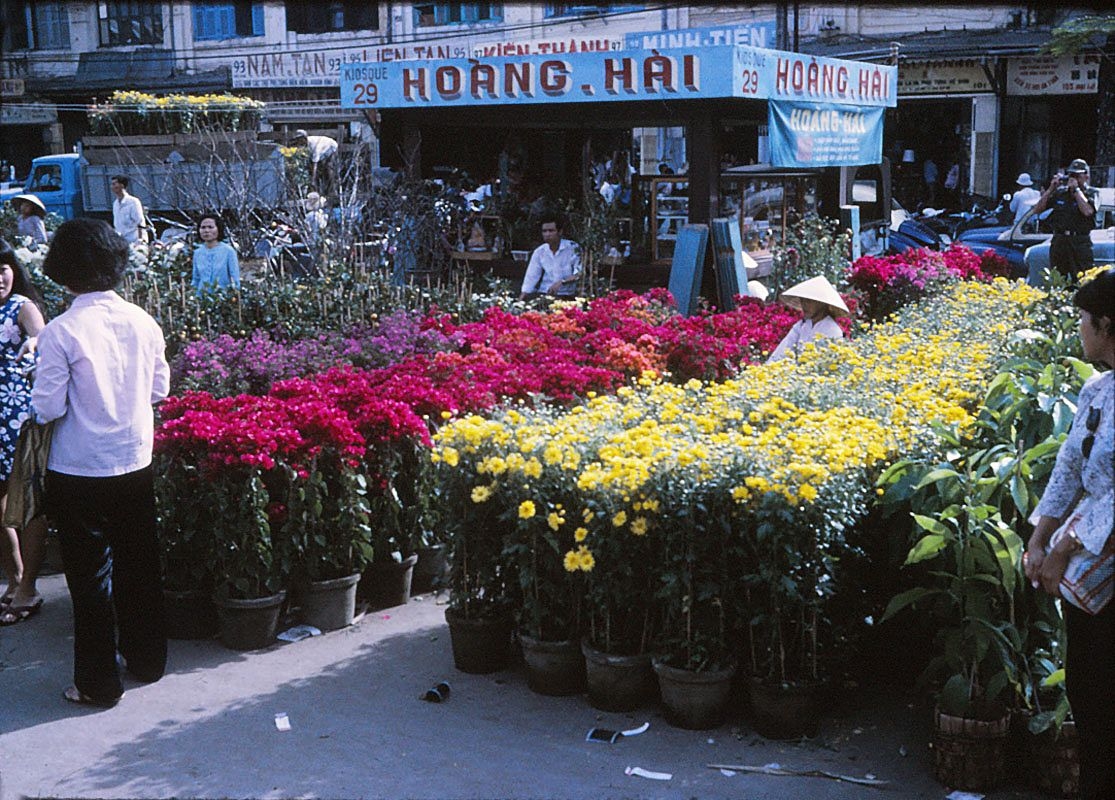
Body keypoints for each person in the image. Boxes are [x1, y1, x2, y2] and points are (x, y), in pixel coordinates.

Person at [33, 218, 170, 708]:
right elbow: (160, 391)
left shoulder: (61, 332)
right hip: (134, 461)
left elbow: (48, 408)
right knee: (139, 563)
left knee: (90, 579)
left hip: (78, 469)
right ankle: (148, 661)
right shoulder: (143, 322)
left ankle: (97, 683)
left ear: (63, 272)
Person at [1023, 267, 1114, 800]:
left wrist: (1066, 547)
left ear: (1105, 323)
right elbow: (1067, 471)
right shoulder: (1097, 390)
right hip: (1092, 575)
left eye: (1083, 319)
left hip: (1100, 555)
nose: (1078, 328)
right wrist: (1040, 536)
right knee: (1089, 691)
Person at [0, 238, 48, 626]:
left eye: (3, 268)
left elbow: (40, 339)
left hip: (21, 419)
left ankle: (29, 586)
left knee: (28, 502)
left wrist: (33, 343)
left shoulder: (22, 307)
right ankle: (15, 577)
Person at [1030, 158, 1098, 279]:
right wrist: (1051, 189)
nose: (1073, 178)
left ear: (1086, 177)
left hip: (1079, 241)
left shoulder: (1092, 193)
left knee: (1083, 278)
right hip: (1060, 241)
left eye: (1077, 175)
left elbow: (1088, 211)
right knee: (1058, 278)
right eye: (1071, 175)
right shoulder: (1061, 193)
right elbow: (1037, 209)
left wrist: (1076, 190)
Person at [766, 275, 848, 363]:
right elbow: (783, 350)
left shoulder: (832, 329)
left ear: (821, 303)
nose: (804, 305)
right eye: (803, 301)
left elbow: (824, 363)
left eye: (809, 302)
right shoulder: (802, 325)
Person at [520, 214, 581, 300]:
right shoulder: (540, 251)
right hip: (545, 293)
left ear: (560, 232)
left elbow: (579, 273)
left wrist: (562, 282)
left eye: (551, 231)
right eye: (544, 231)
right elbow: (531, 277)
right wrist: (520, 300)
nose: (547, 234)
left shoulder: (573, 248)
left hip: (567, 295)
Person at [191, 213, 240, 292]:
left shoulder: (228, 251)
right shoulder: (197, 253)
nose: (206, 230)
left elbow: (235, 278)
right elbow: (195, 279)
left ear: (218, 229)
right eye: (203, 227)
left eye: (210, 227)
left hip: (223, 298)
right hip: (202, 299)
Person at [294, 129, 338, 194]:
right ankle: (317, 191)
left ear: (304, 138)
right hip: (321, 152)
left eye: (299, 139)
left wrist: (313, 179)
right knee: (314, 171)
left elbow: (315, 164)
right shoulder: (305, 145)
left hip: (331, 147)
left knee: (328, 168)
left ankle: (332, 192)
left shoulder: (315, 146)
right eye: (297, 139)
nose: (298, 141)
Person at [110, 175, 147, 245]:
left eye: (114, 184)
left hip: (134, 242)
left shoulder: (133, 202)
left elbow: (140, 222)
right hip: (121, 242)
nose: (112, 187)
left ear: (122, 185)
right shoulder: (115, 204)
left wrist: (140, 240)